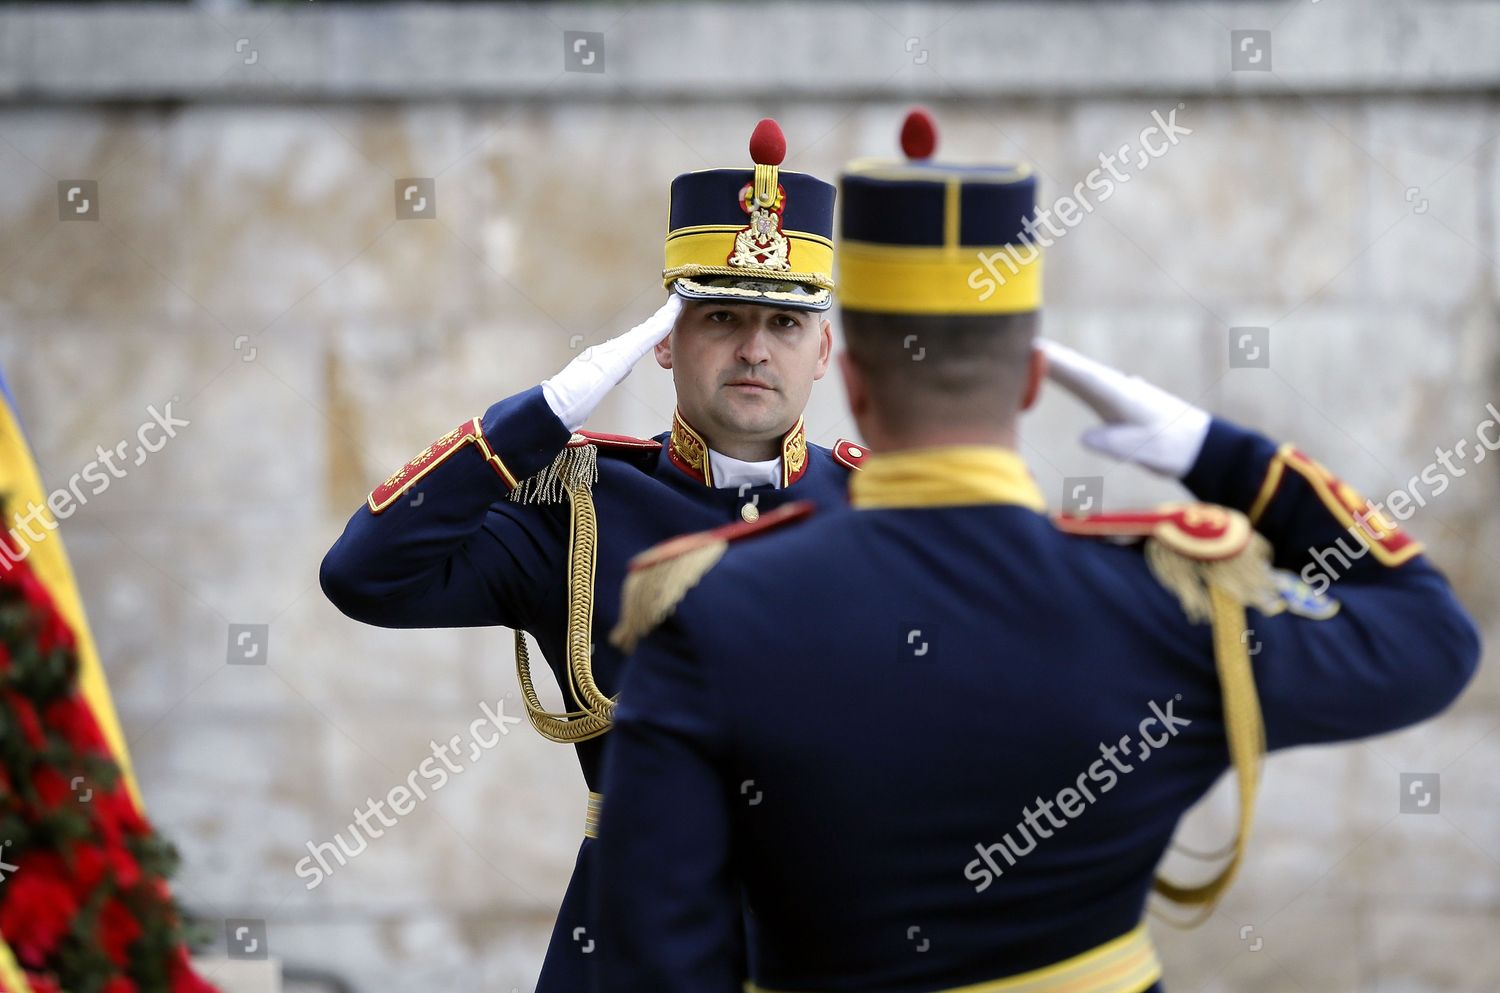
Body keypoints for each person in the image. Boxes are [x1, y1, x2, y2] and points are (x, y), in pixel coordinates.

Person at [595, 125, 1481, 993]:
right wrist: (1216, 454)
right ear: (1028, 381)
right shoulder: (1168, 604)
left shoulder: (706, 616)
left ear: (849, 377)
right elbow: (1431, 635)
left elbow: (654, 959)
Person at [319, 118, 866, 992]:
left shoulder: (875, 512)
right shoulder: (582, 504)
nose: (755, 347)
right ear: (664, 339)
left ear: (823, 350)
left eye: (785, 323)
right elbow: (364, 573)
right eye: (719, 316)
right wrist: (539, 413)